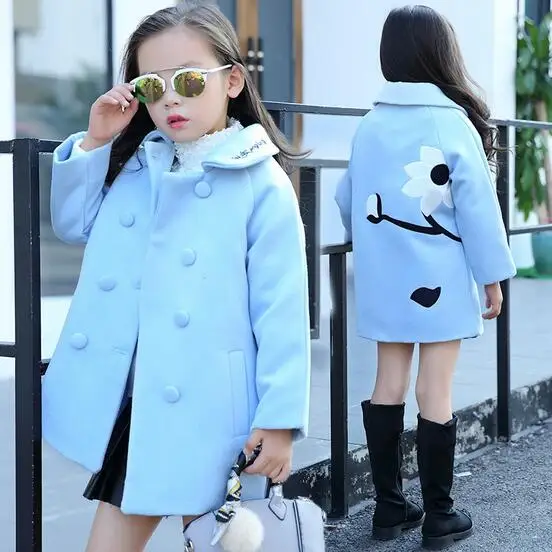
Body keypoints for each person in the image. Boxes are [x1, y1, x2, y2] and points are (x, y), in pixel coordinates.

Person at [42, 3, 311, 551]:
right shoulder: (139, 164)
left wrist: (281, 418)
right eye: (151, 85)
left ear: (232, 81)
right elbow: (72, 224)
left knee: (218, 541)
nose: (170, 99)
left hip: (218, 408)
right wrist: (95, 142)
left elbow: (282, 311)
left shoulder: (261, 182)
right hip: (141, 403)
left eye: (189, 80)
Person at [335, 5, 516, 550]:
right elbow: (478, 208)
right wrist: (492, 276)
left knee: (386, 382)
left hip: (385, 276)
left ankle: (389, 508)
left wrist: (373, 243)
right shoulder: (450, 121)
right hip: (439, 276)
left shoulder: (371, 123)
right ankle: (440, 514)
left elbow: (347, 198)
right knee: (434, 388)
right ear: (441, 54)